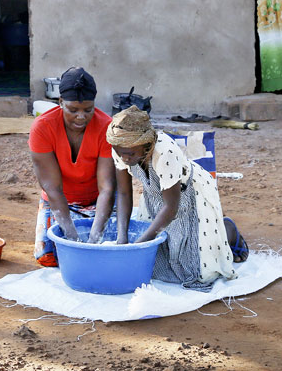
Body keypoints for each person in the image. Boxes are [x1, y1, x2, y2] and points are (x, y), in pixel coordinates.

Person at [107, 106, 249, 291]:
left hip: (188, 195)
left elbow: (172, 207)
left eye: (131, 154)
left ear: (146, 144)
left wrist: (142, 243)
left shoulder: (165, 152)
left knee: (195, 273)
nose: (124, 158)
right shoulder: (121, 148)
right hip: (157, 196)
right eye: (120, 152)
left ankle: (228, 230)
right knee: (156, 266)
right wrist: (122, 239)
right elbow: (125, 194)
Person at [28, 67, 116, 267]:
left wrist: (94, 238)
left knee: (106, 253)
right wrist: (73, 239)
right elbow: (52, 188)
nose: (81, 117)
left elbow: (107, 188)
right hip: (60, 201)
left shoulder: (106, 127)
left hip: (99, 199)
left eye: (88, 109)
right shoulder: (43, 128)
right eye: (73, 110)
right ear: (60, 103)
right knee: (46, 257)